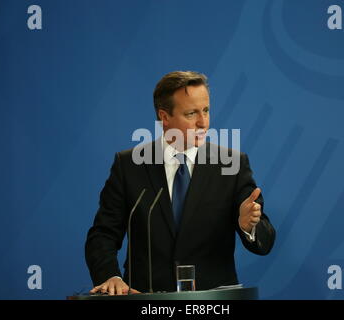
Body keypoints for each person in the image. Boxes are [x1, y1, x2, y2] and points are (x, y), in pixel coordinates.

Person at [85, 71, 275, 295]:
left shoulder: (231, 164)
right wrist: (110, 276)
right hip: (147, 299)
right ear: (164, 117)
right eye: (191, 113)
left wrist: (248, 226)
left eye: (206, 110)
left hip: (212, 301)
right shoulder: (129, 165)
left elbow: (265, 240)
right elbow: (103, 234)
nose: (203, 122)